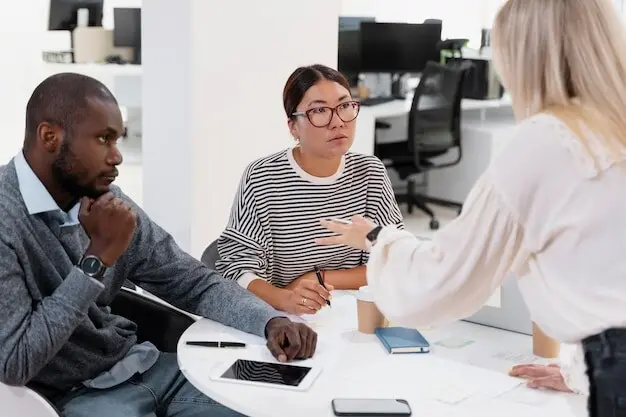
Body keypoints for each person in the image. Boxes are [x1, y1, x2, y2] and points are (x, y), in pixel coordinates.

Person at [316, 0, 626, 415]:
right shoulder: (613, 129)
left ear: (525, 57)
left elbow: (441, 281)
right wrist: (581, 372)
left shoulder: (545, 142)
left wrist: (378, 237)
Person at [0, 73, 317, 417]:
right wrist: (97, 259)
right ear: (50, 137)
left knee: (277, 406)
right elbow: (15, 361)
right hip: (74, 398)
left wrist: (269, 321)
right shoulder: (6, 218)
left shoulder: (106, 202)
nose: (117, 156)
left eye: (117, 140)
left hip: (148, 367)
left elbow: (191, 281)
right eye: (103, 139)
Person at [216, 65, 403, 315]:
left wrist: (319, 278)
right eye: (319, 111)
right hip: (285, 318)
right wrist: (285, 298)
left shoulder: (370, 172)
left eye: (344, 106)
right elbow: (237, 269)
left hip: (350, 315)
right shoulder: (262, 177)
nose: (337, 122)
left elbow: (393, 260)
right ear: (293, 126)